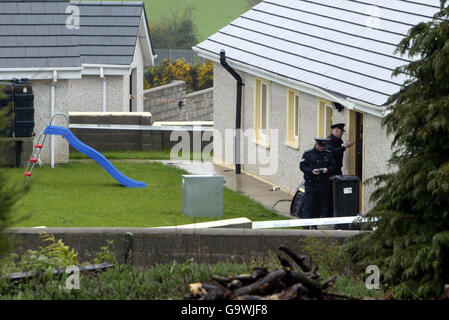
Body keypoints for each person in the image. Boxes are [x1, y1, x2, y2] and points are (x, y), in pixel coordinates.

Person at [299, 138, 336, 229]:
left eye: (323, 146)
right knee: (309, 204)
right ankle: (306, 226)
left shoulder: (328, 154)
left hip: (323, 183)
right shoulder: (308, 154)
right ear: (316, 144)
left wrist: (327, 170)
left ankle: (314, 224)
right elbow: (302, 166)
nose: (322, 148)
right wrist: (311, 171)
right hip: (311, 183)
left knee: (319, 205)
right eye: (320, 146)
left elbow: (334, 166)